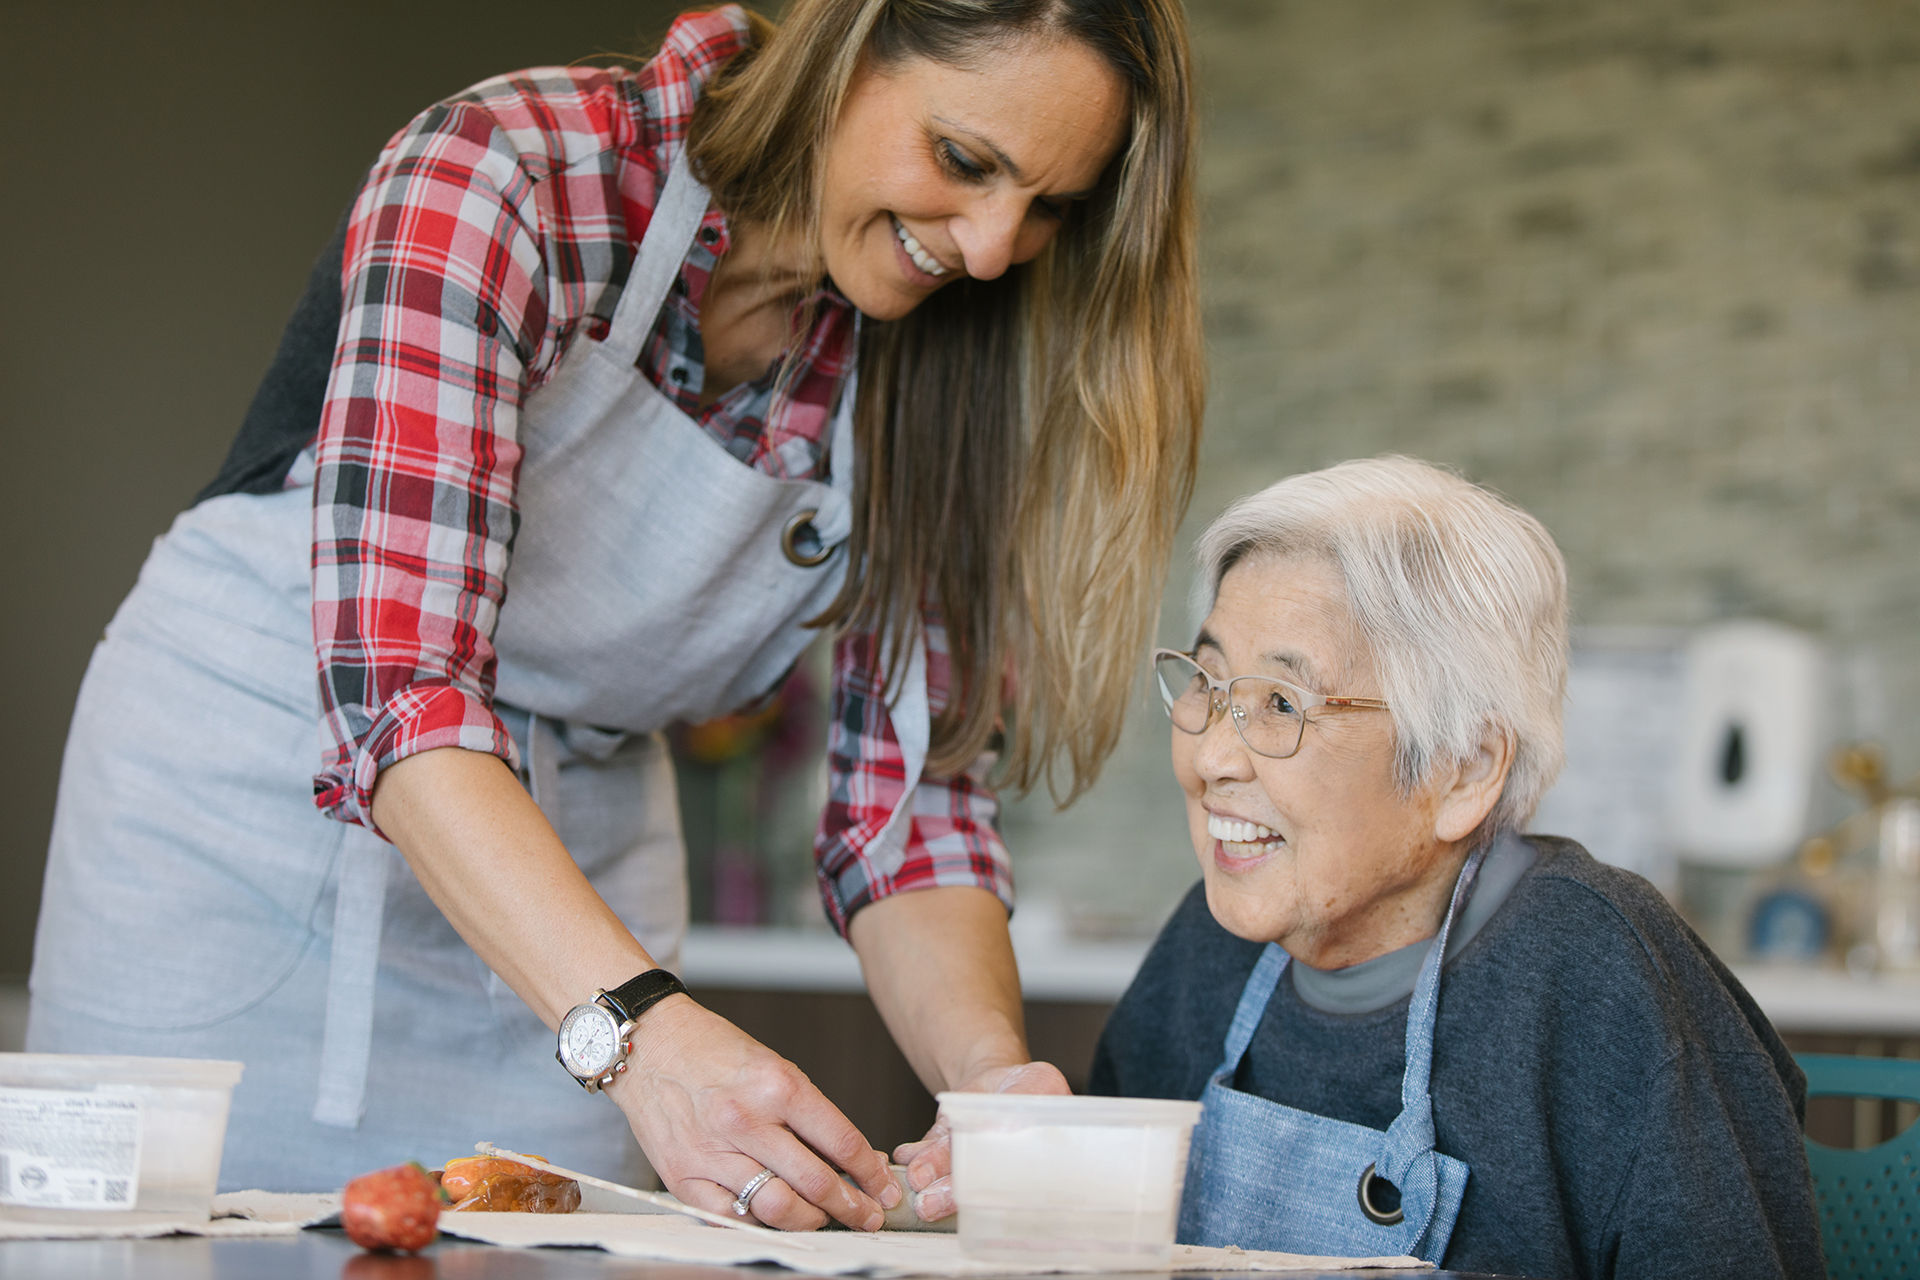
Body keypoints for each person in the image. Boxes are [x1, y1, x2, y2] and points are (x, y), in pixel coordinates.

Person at [27, 0, 1202, 1231]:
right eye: (966, 161)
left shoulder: (953, 354)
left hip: (575, 840)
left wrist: (987, 1087)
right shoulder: (508, 173)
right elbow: (402, 688)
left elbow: (908, 816)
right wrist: (638, 1033)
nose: (994, 245)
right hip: (242, 802)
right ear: (842, 45)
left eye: (1051, 204)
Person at [1091, 457, 1823, 1277]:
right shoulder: (1207, 945)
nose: (1213, 756)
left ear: (1464, 770)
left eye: (1283, 703)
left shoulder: (1591, 969)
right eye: (1208, 683)